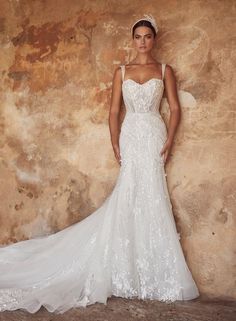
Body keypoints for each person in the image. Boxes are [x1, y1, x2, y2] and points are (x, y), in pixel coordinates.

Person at [0, 14, 200, 314]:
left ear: (154, 39)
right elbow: (113, 111)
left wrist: (170, 140)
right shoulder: (122, 71)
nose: (143, 41)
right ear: (133, 40)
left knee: (153, 195)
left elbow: (173, 107)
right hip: (132, 134)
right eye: (138, 36)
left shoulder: (164, 70)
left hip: (154, 134)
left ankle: (153, 276)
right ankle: (122, 270)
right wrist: (115, 141)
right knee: (129, 193)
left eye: (147, 36)